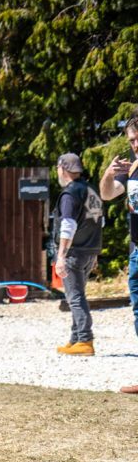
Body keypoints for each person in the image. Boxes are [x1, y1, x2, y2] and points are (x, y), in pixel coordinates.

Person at [99, 116, 138, 390]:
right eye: (131, 140)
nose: (134, 144)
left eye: (137, 138)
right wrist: (109, 174)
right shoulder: (133, 168)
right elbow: (107, 194)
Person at [53, 153, 103, 356]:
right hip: (90, 250)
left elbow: (68, 225)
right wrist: (96, 251)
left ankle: (85, 339)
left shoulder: (70, 193)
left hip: (74, 252)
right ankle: (75, 339)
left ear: (63, 168)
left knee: (75, 297)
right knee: (78, 295)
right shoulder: (91, 190)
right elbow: (100, 221)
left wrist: (61, 256)